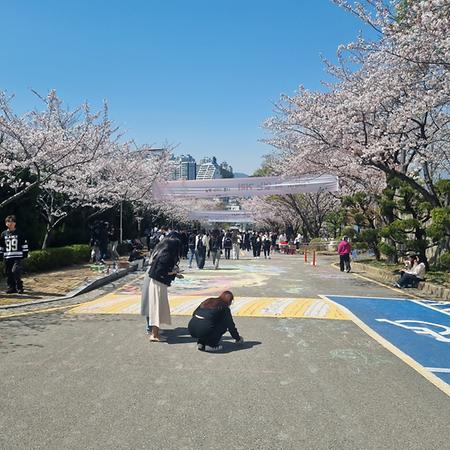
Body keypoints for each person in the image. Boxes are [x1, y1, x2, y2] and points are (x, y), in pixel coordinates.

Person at [140, 234, 183, 341]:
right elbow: (160, 270)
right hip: (155, 278)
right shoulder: (165, 254)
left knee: (152, 304)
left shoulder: (159, 249)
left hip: (152, 276)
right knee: (154, 305)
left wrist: (173, 273)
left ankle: (153, 329)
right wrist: (173, 273)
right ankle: (152, 330)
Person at [0, 215, 29, 294]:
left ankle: (19, 287)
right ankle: (11, 288)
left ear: (15, 223)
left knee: (15, 271)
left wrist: (25, 254)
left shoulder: (20, 233)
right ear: (6, 224)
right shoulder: (3, 234)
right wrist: (1, 255)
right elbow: (1, 245)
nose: (10, 223)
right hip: (7, 257)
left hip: (18, 256)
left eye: (12, 222)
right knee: (8, 272)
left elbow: (24, 244)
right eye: (8, 222)